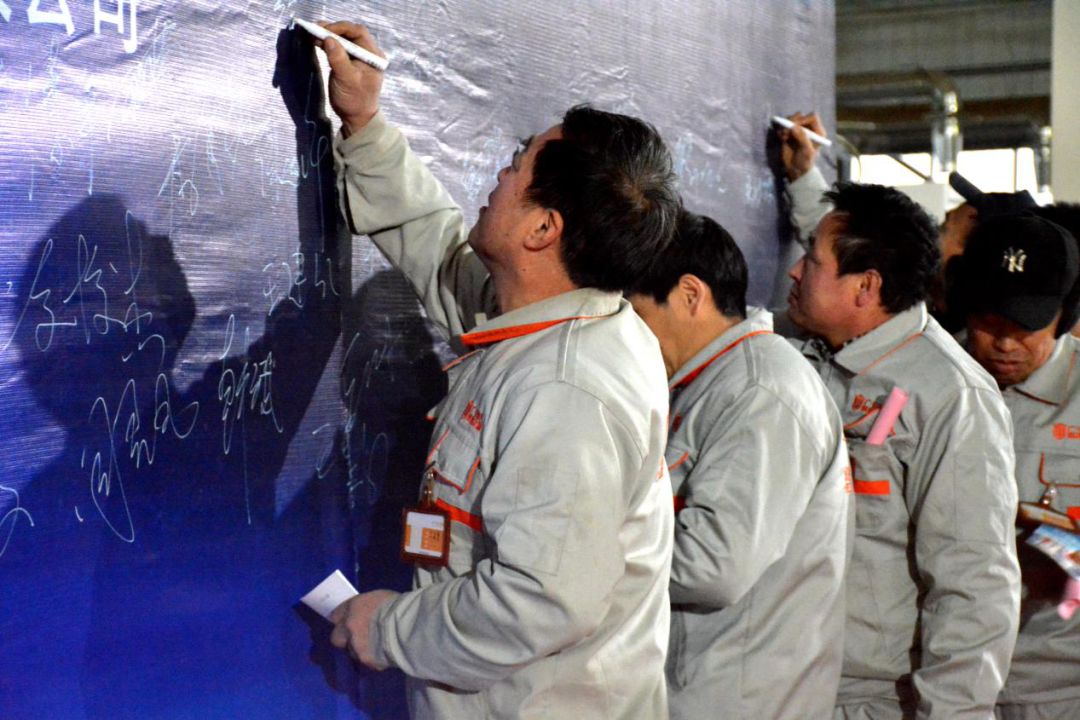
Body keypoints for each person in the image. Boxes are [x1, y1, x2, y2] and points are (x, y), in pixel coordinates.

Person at [315, 21, 681, 719]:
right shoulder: (561, 319)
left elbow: (539, 601)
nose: (501, 174)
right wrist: (364, 123)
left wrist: (388, 628)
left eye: (518, 163)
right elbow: (440, 254)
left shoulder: (567, 388)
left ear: (543, 229)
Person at [778, 117, 1022, 719]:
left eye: (811, 261)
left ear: (866, 288)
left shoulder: (950, 394)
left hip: (872, 700)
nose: (794, 271)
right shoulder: (806, 350)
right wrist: (805, 180)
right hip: (784, 680)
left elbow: (973, 586)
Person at [627, 209, 852, 719]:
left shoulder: (760, 391)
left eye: (637, 314)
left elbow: (713, 568)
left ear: (690, 294)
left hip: (735, 700)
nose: (629, 335)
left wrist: (585, 559)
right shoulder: (714, 380)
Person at [948, 213, 1080, 720]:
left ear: (1066, 314)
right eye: (989, 321)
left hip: (1054, 687)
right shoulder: (931, 380)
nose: (1004, 344)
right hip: (939, 674)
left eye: (1026, 325)